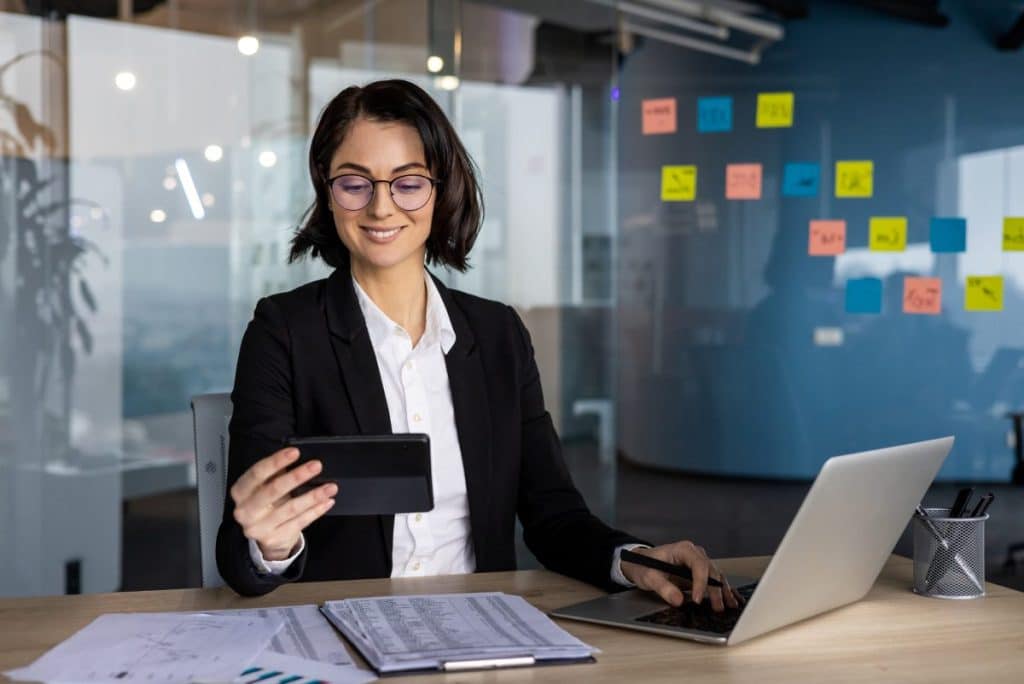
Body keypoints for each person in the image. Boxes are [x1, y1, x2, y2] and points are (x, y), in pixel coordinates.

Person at [216, 79, 739, 613]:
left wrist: (636, 559)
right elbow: (237, 558)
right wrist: (270, 543)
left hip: (480, 630)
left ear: (441, 189)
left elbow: (553, 514)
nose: (381, 207)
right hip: (341, 634)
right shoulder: (284, 330)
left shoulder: (498, 336)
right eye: (355, 183)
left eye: (408, 183)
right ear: (327, 192)